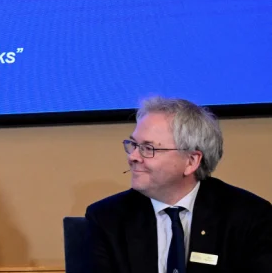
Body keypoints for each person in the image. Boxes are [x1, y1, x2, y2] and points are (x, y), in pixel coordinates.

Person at [85, 96, 272, 273]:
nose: (133, 157)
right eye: (133, 144)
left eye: (148, 148)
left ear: (191, 161)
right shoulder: (107, 218)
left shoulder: (249, 217)